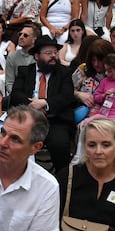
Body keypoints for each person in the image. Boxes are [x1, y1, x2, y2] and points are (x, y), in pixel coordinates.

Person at [10, 36, 76, 171]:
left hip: (55, 118)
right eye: (48, 53)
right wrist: (33, 107)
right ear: (36, 56)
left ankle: (62, 178)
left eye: (55, 53)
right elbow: (16, 94)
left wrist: (45, 103)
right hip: (27, 118)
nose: (53, 56)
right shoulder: (25, 71)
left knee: (59, 144)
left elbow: (66, 96)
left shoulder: (64, 72)